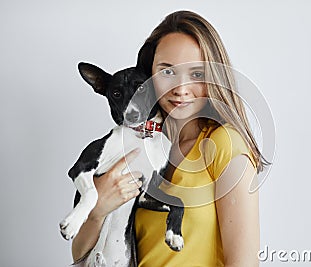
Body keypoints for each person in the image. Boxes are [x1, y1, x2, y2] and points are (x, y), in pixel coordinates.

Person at [72, 10, 267, 267]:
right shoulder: (141, 148)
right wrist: (98, 209)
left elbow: (243, 263)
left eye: (196, 74)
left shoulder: (225, 145)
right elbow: (80, 255)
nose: (181, 89)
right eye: (167, 72)